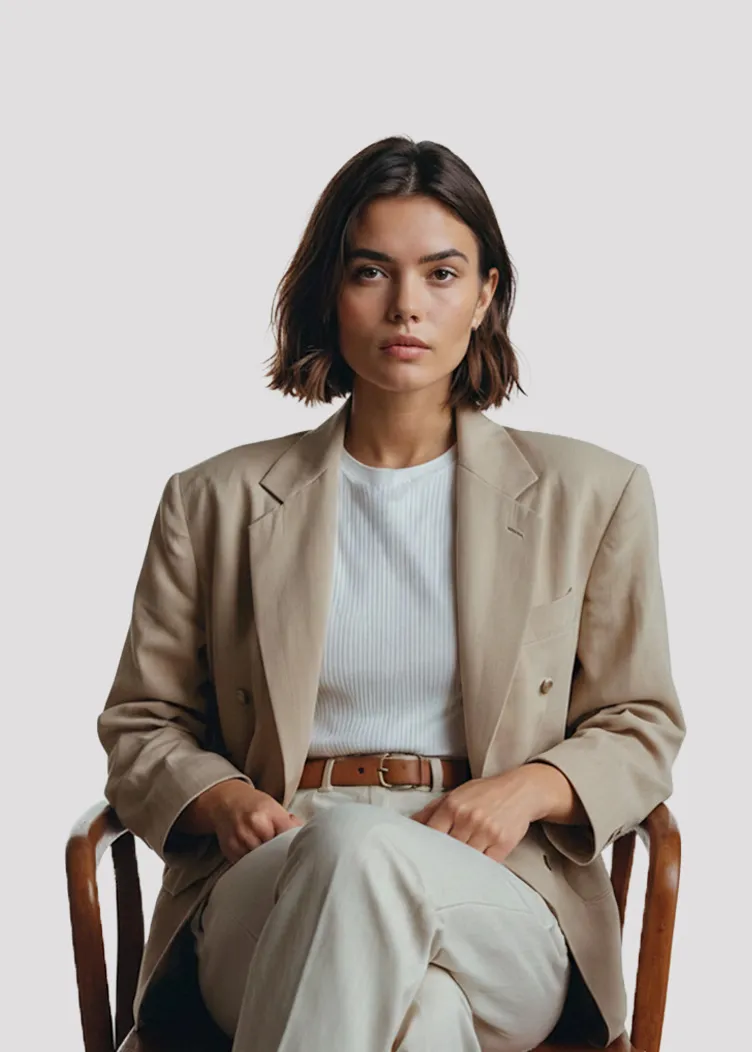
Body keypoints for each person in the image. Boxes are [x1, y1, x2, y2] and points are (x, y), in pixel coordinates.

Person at [97, 135, 687, 1052]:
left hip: (503, 884)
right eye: (371, 271)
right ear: (330, 293)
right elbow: (142, 721)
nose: (407, 305)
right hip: (275, 867)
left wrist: (531, 787)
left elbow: (641, 720)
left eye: (442, 273)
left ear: (487, 293)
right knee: (421, 1008)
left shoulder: (591, 494)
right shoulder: (212, 500)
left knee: (367, 874)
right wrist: (215, 798)